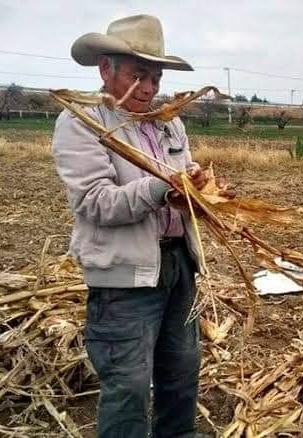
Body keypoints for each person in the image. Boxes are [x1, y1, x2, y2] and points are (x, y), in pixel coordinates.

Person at [51, 14, 212, 437]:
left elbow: (181, 177)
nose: (150, 88)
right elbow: (94, 202)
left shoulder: (168, 120)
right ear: (106, 69)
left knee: (181, 377)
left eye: (155, 77)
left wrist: (199, 189)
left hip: (179, 268)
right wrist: (162, 188)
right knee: (129, 387)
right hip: (125, 280)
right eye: (139, 75)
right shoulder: (81, 122)